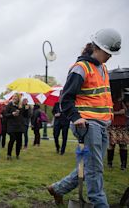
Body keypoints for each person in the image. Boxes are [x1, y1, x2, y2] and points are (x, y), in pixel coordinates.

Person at [47, 28, 121, 207]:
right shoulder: (80, 68)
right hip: (87, 124)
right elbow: (65, 98)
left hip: (102, 125)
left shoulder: (102, 67)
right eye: (107, 53)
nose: (110, 56)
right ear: (97, 48)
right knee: (95, 169)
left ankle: (58, 188)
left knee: (90, 166)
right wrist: (75, 118)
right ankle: (100, 204)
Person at [107, 91, 128, 170]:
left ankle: (123, 165)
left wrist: (123, 103)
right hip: (113, 125)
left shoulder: (124, 101)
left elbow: (126, 111)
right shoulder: (110, 100)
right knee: (111, 145)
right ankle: (109, 163)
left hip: (122, 125)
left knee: (123, 145)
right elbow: (108, 112)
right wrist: (118, 112)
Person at [4, 93, 27, 160]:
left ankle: (17, 155)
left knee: (19, 141)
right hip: (11, 125)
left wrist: (26, 108)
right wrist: (12, 114)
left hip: (19, 126)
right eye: (13, 96)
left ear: (18, 98)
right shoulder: (9, 105)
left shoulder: (21, 106)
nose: (14, 98)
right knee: (12, 139)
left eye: (16, 97)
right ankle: (9, 155)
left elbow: (25, 115)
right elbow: (5, 114)